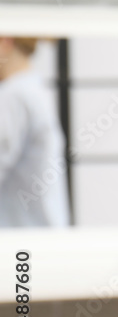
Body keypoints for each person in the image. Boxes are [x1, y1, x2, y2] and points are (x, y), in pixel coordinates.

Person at [0, 36, 70, 228]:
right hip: (38, 232)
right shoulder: (32, 90)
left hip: (21, 238)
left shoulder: (13, 96)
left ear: (5, 42)